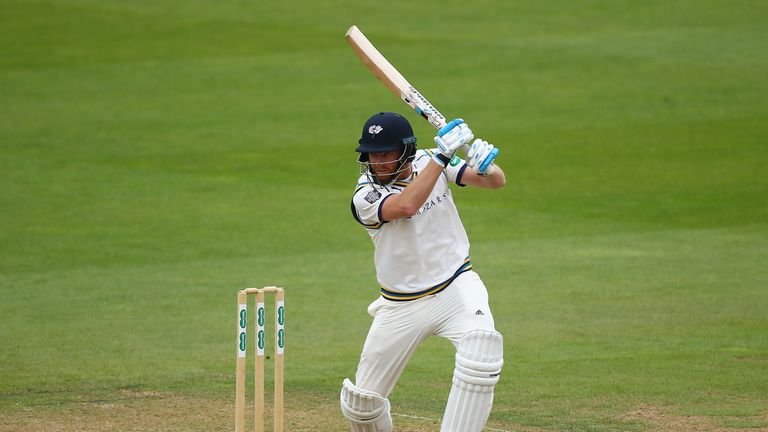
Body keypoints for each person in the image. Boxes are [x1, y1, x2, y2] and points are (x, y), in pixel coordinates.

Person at [340, 111, 506, 432]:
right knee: (361, 405)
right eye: (373, 155)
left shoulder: (431, 160)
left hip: (456, 287)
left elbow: (496, 182)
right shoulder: (365, 195)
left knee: (482, 350)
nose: (379, 162)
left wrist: (484, 161)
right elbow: (405, 206)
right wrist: (443, 155)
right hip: (401, 304)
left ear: (406, 151)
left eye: (386, 153)